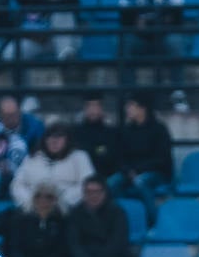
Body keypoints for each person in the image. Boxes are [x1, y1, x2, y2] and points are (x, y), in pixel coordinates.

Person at [116, 0, 189, 113]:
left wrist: (146, 21)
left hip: (162, 38)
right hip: (141, 40)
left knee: (175, 41)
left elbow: (177, 15)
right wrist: (161, 19)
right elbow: (125, 18)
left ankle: (178, 92)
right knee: (125, 42)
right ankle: (130, 94)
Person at [4, 0, 82, 101]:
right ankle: (27, 98)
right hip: (38, 38)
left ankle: (66, 59)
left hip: (65, 40)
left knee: (62, 11)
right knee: (10, 54)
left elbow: (71, 1)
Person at [3, 180, 71, 257]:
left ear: (55, 200)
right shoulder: (20, 220)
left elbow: (62, 250)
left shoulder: (63, 222)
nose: (43, 200)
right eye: (38, 196)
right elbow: (13, 248)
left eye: (48, 197)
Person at [109, 92, 173, 223]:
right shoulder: (126, 130)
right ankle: (124, 220)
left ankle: (153, 223)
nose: (127, 109)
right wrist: (127, 171)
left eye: (131, 105)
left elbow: (162, 160)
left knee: (141, 182)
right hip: (130, 172)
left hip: (156, 173)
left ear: (143, 108)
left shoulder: (159, 129)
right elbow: (119, 157)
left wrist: (137, 170)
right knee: (112, 183)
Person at [9, 121, 95, 213]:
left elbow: (88, 184)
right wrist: (31, 202)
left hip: (68, 210)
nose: (54, 141)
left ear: (67, 139)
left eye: (59, 137)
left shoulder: (79, 157)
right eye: (50, 137)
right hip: (32, 209)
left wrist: (61, 202)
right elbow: (17, 184)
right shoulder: (32, 157)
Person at [0, 94, 44, 205]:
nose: (11, 119)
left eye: (14, 115)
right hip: (1, 170)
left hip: (26, 166)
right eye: (7, 116)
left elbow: (39, 151)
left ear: (19, 113)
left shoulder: (34, 126)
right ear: (0, 116)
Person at [72, 93, 120, 179]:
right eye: (89, 106)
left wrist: (97, 150)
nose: (93, 110)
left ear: (102, 109)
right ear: (84, 109)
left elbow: (109, 154)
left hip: (105, 176)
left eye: (96, 106)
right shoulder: (75, 132)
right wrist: (97, 149)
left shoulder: (111, 133)